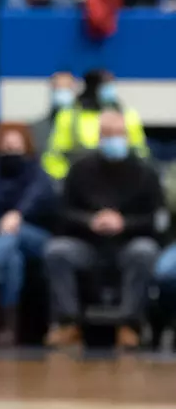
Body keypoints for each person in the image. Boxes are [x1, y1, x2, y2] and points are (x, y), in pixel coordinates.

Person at [43, 109, 160, 351]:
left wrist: (124, 223)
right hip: (88, 244)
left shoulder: (146, 172)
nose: (114, 140)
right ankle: (68, 324)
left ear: (127, 136)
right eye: (108, 134)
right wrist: (90, 221)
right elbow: (63, 213)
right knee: (57, 251)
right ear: (98, 137)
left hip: (128, 244)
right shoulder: (80, 169)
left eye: (119, 134)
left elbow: (156, 219)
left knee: (144, 251)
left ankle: (129, 326)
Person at [0, 122, 54, 345]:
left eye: (16, 148)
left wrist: (17, 214)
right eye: (6, 148)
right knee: (12, 259)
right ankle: (9, 326)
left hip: (38, 239)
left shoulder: (38, 172)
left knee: (12, 235)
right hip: (1, 242)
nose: (11, 153)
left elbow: (38, 197)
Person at [42, 67, 146, 178]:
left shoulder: (128, 115)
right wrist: (69, 179)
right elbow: (53, 156)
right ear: (93, 86)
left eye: (111, 83)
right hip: (80, 183)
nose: (110, 89)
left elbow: (141, 153)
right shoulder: (69, 116)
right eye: (105, 84)